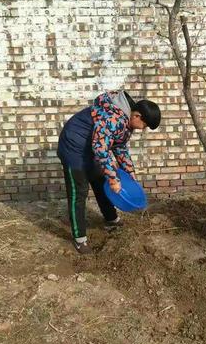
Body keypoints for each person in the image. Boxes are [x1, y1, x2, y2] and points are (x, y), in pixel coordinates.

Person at [57, 90, 161, 254]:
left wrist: (129, 171)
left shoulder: (126, 121)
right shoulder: (113, 118)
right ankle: (80, 239)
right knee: (79, 192)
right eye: (145, 125)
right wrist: (114, 179)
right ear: (137, 116)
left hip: (91, 148)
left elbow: (119, 146)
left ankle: (111, 219)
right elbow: (100, 148)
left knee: (100, 180)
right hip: (73, 147)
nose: (143, 129)